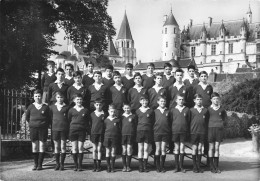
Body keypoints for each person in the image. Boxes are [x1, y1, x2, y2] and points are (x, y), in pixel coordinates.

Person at [26, 89, 50, 171]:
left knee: (42, 145)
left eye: (39, 96)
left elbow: (49, 118)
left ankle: (40, 164)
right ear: (33, 97)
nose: (37, 97)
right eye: (36, 96)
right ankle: (35, 164)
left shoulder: (46, 107)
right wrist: (32, 124)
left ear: (41, 97)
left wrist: (43, 124)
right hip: (33, 128)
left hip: (43, 129)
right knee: (35, 145)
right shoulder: (30, 106)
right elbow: (27, 117)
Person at [68, 93, 90, 171]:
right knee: (74, 148)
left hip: (82, 131)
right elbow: (69, 120)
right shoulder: (71, 110)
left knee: (80, 148)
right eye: (77, 99)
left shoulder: (86, 110)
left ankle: (80, 166)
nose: (79, 101)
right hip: (73, 130)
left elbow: (87, 121)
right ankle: (75, 165)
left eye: (80, 99)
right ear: (74, 100)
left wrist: (88, 131)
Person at [49, 92, 70, 171]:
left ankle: (62, 164)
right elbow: (50, 117)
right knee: (56, 146)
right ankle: (57, 164)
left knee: (63, 146)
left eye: (61, 97)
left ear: (63, 98)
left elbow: (68, 118)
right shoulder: (51, 107)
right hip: (55, 129)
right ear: (55, 98)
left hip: (64, 129)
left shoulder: (66, 107)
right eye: (58, 97)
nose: (60, 99)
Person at [171, 94, 190, 173]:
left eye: (182, 99)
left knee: (182, 148)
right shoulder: (173, 110)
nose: (181, 101)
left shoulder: (187, 109)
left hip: (183, 131)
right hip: (175, 131)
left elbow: (188, 121)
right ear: (176, 100)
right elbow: (170, 120)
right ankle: (176, 167)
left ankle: (181, 166)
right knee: (176, 148)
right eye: (179, 99)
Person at [208, 92, 227, 173]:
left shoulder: (222, 109)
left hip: (219, 130)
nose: (216, 100)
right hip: (211, 129)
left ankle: (216, 166)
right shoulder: (208, 109)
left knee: (217, 148)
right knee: (211, 148)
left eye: (217, 99)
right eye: (214, 99)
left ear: (219, 99)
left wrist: (222, 125)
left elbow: (225, 119)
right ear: (211, 100)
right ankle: (211, 166)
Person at [190, 94, 209, 173]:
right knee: (194, 148)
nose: (199, 101)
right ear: (194, 100)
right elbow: (188, 121)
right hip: (194, 132)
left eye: (200, 99)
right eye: (197, 99)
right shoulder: (191, 110)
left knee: (200, 148)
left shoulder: (205, 110)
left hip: (202, 132)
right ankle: (194, 166)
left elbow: (207, 121)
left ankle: (199, 166)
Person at [136, 95, 154, 172]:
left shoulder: (151, 111)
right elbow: (135, 122)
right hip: (140, 131)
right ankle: (140, 167)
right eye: (142, 100)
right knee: (140, 149)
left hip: (148, 131)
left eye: (146, 100)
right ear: (140, 102)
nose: (144, 102)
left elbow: (153, 121)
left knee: (146, 149)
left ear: (148, 101)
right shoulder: (137, 111)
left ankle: (145, 166)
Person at [153, 96, 171, 173]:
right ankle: (157, 167)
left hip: (165, 132)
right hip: (157, 132)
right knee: (158, 149)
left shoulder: (168, 111)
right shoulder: (155, 111)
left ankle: (162, 166)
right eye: (161, 101)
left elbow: (170, 122)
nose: (162, 103)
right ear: (158, 102)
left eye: (164, 101)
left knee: (163, 149)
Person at [103, 104, 121, 173]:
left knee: (113, 152)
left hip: (114, 138)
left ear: (115, 111)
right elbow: (104, 129)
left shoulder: (117, 120)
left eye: (114, 111)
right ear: (108, 111)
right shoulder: (105, 120)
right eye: (111, 111)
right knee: (108, 152)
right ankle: (108, 167)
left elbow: (119, 129)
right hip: (107, 137)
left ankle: (112, 167)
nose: (112, 113)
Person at [90, 98, 106, 172]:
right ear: (94, 105)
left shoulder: (104, 114)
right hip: (94, 133)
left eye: (100, 105)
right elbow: (90, 124)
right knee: (94, 149)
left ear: (102, 105)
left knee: (99, 149)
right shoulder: (92, 114)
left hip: (101, 133)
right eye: (97, 105)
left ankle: (99, 165)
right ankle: (94, 165)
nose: (98, 106)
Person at [121, 103, 137, 172]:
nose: (126, 109)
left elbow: (135, 125)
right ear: (123, 108)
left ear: (130, 108)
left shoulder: (133, 116)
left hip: (130, 135)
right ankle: (124, 166)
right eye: (125, 108)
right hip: (123, 135)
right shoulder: (121, 116)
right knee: (124, 150)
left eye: (128, 108)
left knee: (129, 149)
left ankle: (128, 166)